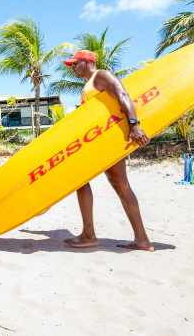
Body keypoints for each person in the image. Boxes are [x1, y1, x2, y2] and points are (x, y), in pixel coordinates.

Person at [61, 49, 154, 251]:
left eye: (75, 63)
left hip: (107, 141)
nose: (73, 68)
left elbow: (122, 94)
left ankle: (89, 235)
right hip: (99, 142)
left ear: (86, 62)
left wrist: (134, 125)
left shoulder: (101, 76)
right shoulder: (88, 85)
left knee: (92, 181)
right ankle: (142, 239)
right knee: (119, 185)